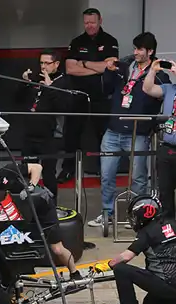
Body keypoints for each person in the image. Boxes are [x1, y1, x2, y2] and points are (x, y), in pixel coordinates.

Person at [87, 32, 166, 229]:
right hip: (113, 130)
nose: (135, 52)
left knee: (139, 177)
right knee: (106, 175)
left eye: (140, 49)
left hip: (139, 132)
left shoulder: (159, 74)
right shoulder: (124, 67)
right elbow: (106, 89)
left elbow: (161, 99)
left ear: (150, 51)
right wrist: (109, 71)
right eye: (134, 48)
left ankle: (138, 214)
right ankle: (107, 213)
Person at [0, 158, 81, 281]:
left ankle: (75, 273)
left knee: (57, 249)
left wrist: (30, 187)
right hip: (22, 214)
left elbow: (37, 167)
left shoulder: (8, 170)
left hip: (42, 207)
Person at [92, 196, 176, 304]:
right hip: (170, 285)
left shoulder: (146, 232)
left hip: (165, 284)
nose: (133, 220)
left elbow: (126, 257)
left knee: (121, 269)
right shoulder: (172, 223)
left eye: (134, 216)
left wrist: (108, 264)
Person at [59, 8, 120, 184]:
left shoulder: (110, 41)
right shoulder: (77, 42)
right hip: (78, 95)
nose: (89, 26)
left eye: (92, 22)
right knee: (71, 135)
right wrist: (97, 68)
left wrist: (84, 63)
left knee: (104, 136)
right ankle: (68, 169)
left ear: (100, 20)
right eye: (86, 23)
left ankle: (105, 171)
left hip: (101, 97)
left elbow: (109, 67)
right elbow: (70, 69)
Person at [17, 49, 73, 197]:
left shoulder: (63, 82)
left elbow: (63, 108)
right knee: (27, 172)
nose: (43, 66)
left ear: (56, 64)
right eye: (41, 63)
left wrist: (50, 87)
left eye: (47, 63)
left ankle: (51, 205)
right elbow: (18, 100)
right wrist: (25, 83)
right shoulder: (36, 77)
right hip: (30, 134)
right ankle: (29, 203)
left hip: (50, 136)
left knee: (48, 174)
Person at [142, 57, 176, 219]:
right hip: (168, 147)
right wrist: (152, 71)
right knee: (165, 190)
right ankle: (168, 226)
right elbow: (148, 89)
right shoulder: (170, 89)